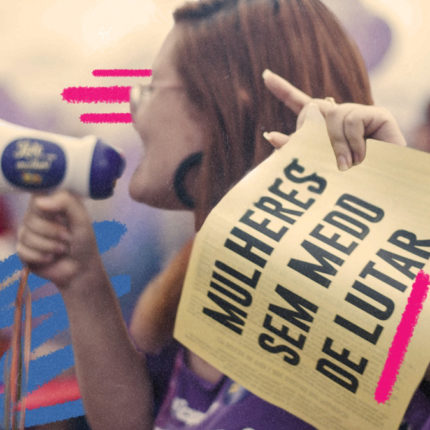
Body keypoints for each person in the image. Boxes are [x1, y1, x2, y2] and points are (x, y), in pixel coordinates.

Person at [16, 0, 429, 429]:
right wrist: (82, 278)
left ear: (223, 103)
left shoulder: (337, 308)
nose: (135, 109)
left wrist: (399, 225)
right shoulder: (197, 290)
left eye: (152, 88)